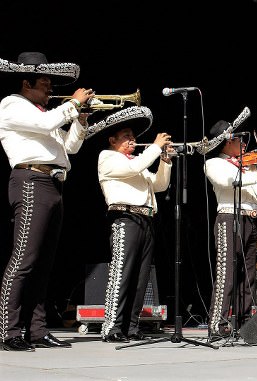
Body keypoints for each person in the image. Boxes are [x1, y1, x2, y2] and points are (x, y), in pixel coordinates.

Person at [0, 52, 95, 351]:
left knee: (43, 265)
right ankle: (9, 330)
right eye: (44, 83)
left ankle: (37, 330)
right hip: (30, 180)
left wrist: (80, 119)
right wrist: (73, 104)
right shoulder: (12, 104)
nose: (51, 89)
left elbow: (71, 147)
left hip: (53, 184)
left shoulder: (45, 113)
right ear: (26, 83)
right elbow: (47, 125)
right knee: (24, 261)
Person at [85, 106, 173, 343]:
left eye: (134, 137)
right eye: (126, 137)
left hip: (146, 219)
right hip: (125, 218)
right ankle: (111, 326)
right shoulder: (108, 157)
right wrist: (155, 146)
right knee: (122, 274)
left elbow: (160, 185)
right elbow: (133, 168)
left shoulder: (138, 161)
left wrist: (165, 160)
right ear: (112, 140)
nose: (132, 140)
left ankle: (131, 326)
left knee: (140, 278)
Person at [203, 120, 257, 341]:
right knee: (227, 274)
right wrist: (255, 175)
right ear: (226, 142)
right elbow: (228, 182)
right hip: (228, 218)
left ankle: (242, 324)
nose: (244, 143)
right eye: (238, 139)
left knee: (249, 276)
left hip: (250, 221)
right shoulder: (214, 163)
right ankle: (218, 324)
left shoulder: (248, 166)